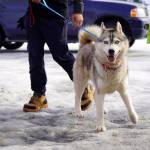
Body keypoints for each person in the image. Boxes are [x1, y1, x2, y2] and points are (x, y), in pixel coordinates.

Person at [23, 0, 94, 112]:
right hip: (33, 16)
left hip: (55, 15)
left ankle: (84, 86)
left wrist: (78, 10)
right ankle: (39, 95)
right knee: (34, 56)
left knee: (61, 55)